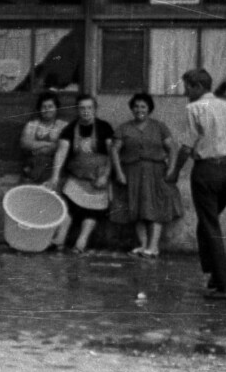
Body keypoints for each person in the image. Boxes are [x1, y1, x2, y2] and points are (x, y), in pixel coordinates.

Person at [173, 67, 226, 299]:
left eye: (187, 87)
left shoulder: (194, 108)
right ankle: (215, 276)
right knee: (207, 223)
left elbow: (187, 147)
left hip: (207, 172)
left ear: (198, 87)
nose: (185, 92)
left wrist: (174, 173)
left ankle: (225, 285)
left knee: (210, 227)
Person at [111, 93, 181, 258]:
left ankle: (153, 246)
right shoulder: (124, 128)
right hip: (132, 172)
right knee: (136, 209)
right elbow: (114, 149)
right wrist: (119, 172)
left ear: (149, 108)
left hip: (155, 172)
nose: (139, 110)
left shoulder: (159, 127)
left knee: (154, 209)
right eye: (136, 106)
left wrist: (171, 169)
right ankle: (143, 245)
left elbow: (172, 148)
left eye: (143, 106)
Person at [51, 94, 123, 253]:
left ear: (95, 109)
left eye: (89, 108)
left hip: (98, 178)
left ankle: (81, 242)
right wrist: (55, 175)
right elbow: (61, 151)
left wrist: (105, 176)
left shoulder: (104, 127)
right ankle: (60, 239)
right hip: (76, 177)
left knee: (92, 211)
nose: (85, 111)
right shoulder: (70, 129)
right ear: (77, 110)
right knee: (68, 207)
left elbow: (113, 153)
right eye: (82, 108)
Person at [19, 93, 69, 186]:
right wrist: (48, 144)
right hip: (33, 168)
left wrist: (36, 146)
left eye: (50, 106)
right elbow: (24, 144)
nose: (47, 110)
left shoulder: (63, 125)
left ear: (56, 108)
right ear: (39, 109)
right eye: (44, 107)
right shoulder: (32, 124)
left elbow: (61, 148)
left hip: (53, 170)